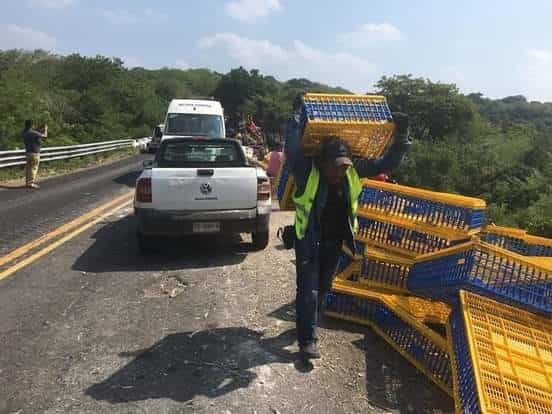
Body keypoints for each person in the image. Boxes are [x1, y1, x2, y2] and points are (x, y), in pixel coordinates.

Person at [284, 111, 411, 360]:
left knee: (324, 288)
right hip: (308, 242)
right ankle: (307, 340)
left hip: (334, 243)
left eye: (345, 166)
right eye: (336, 166)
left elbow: (387, 164)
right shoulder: (307, 172)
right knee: (307, 290)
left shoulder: (352, 173)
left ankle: (305, 322)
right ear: (323, 162)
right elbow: (292, 150)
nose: (341, 171)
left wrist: (402, 136)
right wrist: (294, 123)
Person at [22, 119, 48, 189]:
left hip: (28, 152)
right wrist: (45, 129)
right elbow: (45, 137)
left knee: (28, 168)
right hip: (35, 153)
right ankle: (31, 183)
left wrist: (38, 128)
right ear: (31, 125)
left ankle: (27, 182)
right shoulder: (33, 133)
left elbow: (33, 132)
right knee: (33, 168)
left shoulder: (24, 132)